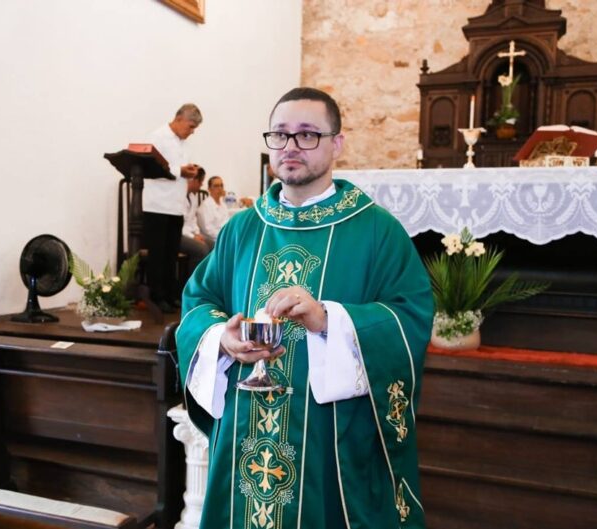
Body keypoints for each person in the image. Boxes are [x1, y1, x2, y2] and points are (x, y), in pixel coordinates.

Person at [176, 87, 433, 529]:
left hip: (330, 439)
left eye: (308, 134)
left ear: (337, 144)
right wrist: (221, 337)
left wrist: (330, 321)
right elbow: (199, 301)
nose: (291, 146)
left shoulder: (376, 230)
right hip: (243, 430)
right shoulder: (242, 228)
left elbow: (409, 316)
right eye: (280, 134)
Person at [142, 103, 202, 313]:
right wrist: (180, 171)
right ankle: (156, 296)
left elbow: (178, 168)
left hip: (176, 206)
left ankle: (169, 294)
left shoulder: (184, 143)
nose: (192, 131)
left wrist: (190, 170)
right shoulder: (157, 137)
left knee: (171, 254)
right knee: (158, 255)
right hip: (157, 205)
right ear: (179, 119)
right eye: (191, 126)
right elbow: (153, 167)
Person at [180, 166, 213, 281]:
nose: (201, 185)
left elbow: (192, 220)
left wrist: (197, 233)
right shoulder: (179, 196)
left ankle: (207, 283)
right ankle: (193, 285)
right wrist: (193, 236)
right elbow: (179, 224)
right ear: (193, 180)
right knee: (201, 249)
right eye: (200, 182)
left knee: (214, 245)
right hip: (179, 234)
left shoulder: (193, 197)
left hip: (189, 233)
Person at [196, 175, 230, 244]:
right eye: (216, 186)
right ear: (209, 189)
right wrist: (224, 236)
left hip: (224, 237)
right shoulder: (205, 206)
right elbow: (208, 230)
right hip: (212, 240)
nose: (220, 188)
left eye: (221, 185)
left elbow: (227, 223)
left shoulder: (223, 204)